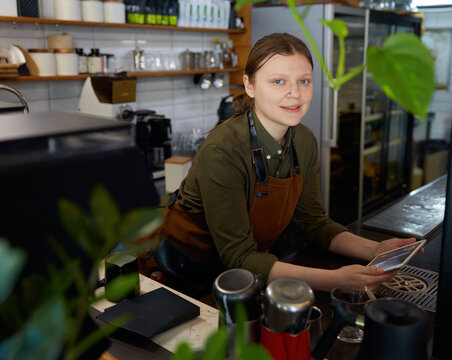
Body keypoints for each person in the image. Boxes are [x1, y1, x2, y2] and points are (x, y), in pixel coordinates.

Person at [138, 33, 417, 293]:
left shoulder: (304, 141)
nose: (294, 93)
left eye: (304, 81)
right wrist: (337, 279)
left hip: (241, 275)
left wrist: (375, 250)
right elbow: (239, 258)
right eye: (278, 81)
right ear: (250, 85)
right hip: (176, 271)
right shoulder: (224, 150)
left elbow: (314, 222)